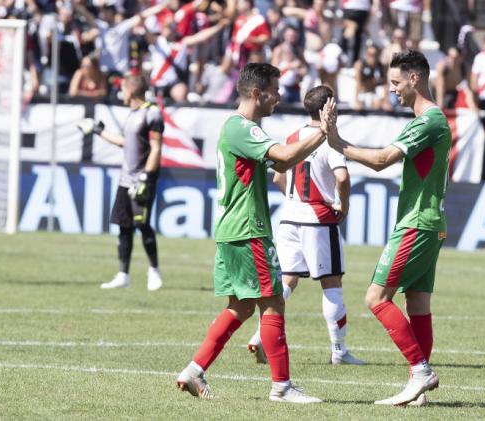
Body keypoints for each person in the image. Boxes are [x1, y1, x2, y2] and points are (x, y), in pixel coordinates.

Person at [176, 63, 332, 403]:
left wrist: (318, 134)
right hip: (248, 230)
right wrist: (322, 130)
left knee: (241, 307)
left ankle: (194, 370)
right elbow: (286, 156)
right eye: (275, 90)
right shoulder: (242, 128)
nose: (279, 96)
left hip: (231, 230)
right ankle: (282, 387)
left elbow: (282, 164)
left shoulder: (239, 129)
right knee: (273, 303)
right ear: (256, 93)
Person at [325, 49, 449, 406]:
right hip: (431, 223)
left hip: (417, 223)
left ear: (415, 78)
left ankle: (420, 371)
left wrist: (339, 144)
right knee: (418, 303)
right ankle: (418, 388)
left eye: (396, 82)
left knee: (376, 298)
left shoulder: (429, 121)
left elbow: (381, 161)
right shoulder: (429, 121)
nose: (392, 89)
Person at [245, 85, 365, 366]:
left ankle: (259, 335)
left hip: (288, 219)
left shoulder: (292, 137)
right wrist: (343, 207)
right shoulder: (329, 140)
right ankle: (339, 351)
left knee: (287, 281)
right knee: (331, 284)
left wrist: (293, 199)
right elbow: (343, 178)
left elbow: (277, 177)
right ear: (329, 108)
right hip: (319, 221)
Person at [77, 74, 164, 291]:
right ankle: (123, 274)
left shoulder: (151, 113)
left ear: (132, 90)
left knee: (142, 224)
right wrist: (99, 131)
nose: (121, 93)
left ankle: (154, 270)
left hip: (142, 179)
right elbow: (126, 144)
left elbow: (156, 148)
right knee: (124, 227)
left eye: (123, 89)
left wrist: (146, 175)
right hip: (125, 180)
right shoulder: (132, 115)